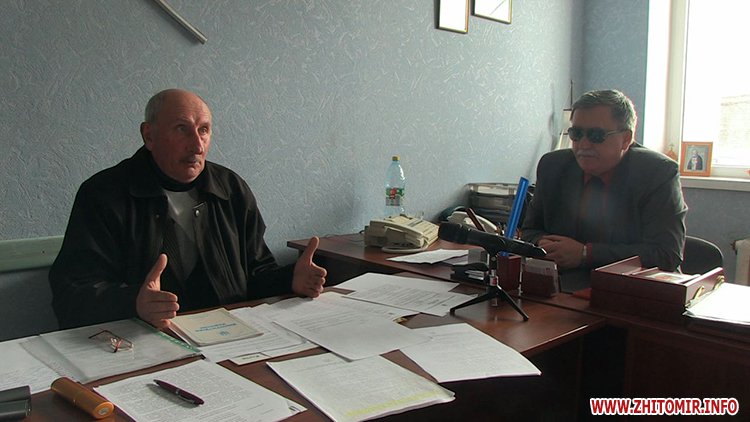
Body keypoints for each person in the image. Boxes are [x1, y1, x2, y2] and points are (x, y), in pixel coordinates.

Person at [49, 89, 327, 329]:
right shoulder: (103, 194)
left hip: (225, 337)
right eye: (182, 128)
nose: (197, 145)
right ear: (149, 135)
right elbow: (72, 294)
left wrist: (290, 279)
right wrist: (133, 302)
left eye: (203, 130)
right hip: (141, 339)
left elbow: (256, 274)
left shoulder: (231, 189)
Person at [521, 89, 687, 291]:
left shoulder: (657, 173)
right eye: (576, 134)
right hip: (563, 289)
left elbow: (666, 254)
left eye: (596, 135)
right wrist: (543, 244)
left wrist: (585, 254)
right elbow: (529, 231)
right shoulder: (553, 165)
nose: (583, 144)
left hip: (632, 292)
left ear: (625, 139)